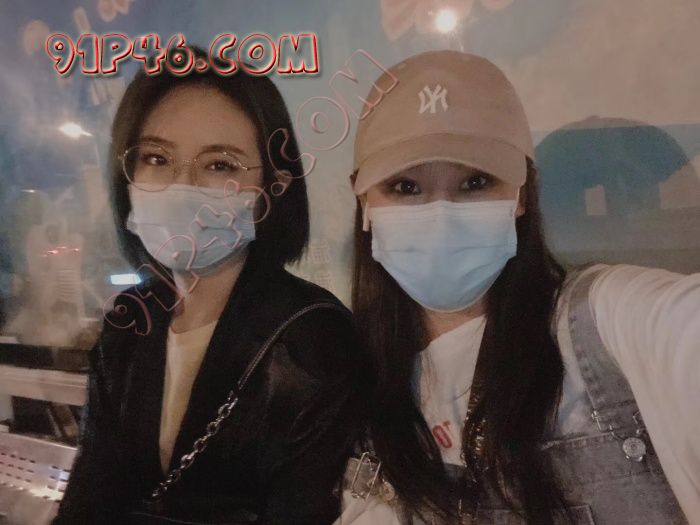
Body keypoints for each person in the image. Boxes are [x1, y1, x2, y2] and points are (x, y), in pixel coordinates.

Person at [336, 50, 699, 524]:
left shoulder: (606, 324)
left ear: (521, 194)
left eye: (475, 182)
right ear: (363, 201)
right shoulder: (355, 381)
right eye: (405, 187)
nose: (441, 216)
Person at [53, 47, 367, 525]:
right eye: (156, 157)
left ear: (274, 185)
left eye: (220, 165)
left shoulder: (312, 337)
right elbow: (88, 498)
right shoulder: (129, 321)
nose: (182, 184)